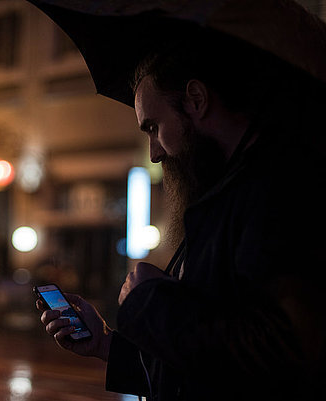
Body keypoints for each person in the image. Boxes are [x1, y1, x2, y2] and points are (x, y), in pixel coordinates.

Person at [37, 34, 326, 401]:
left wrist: (151, 301)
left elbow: (281, 358)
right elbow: (209, 361)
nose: (155, 152)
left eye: (154, 127)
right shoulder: (225, 191)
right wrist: (108, 345)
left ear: (196, 99)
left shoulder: (279, 189)